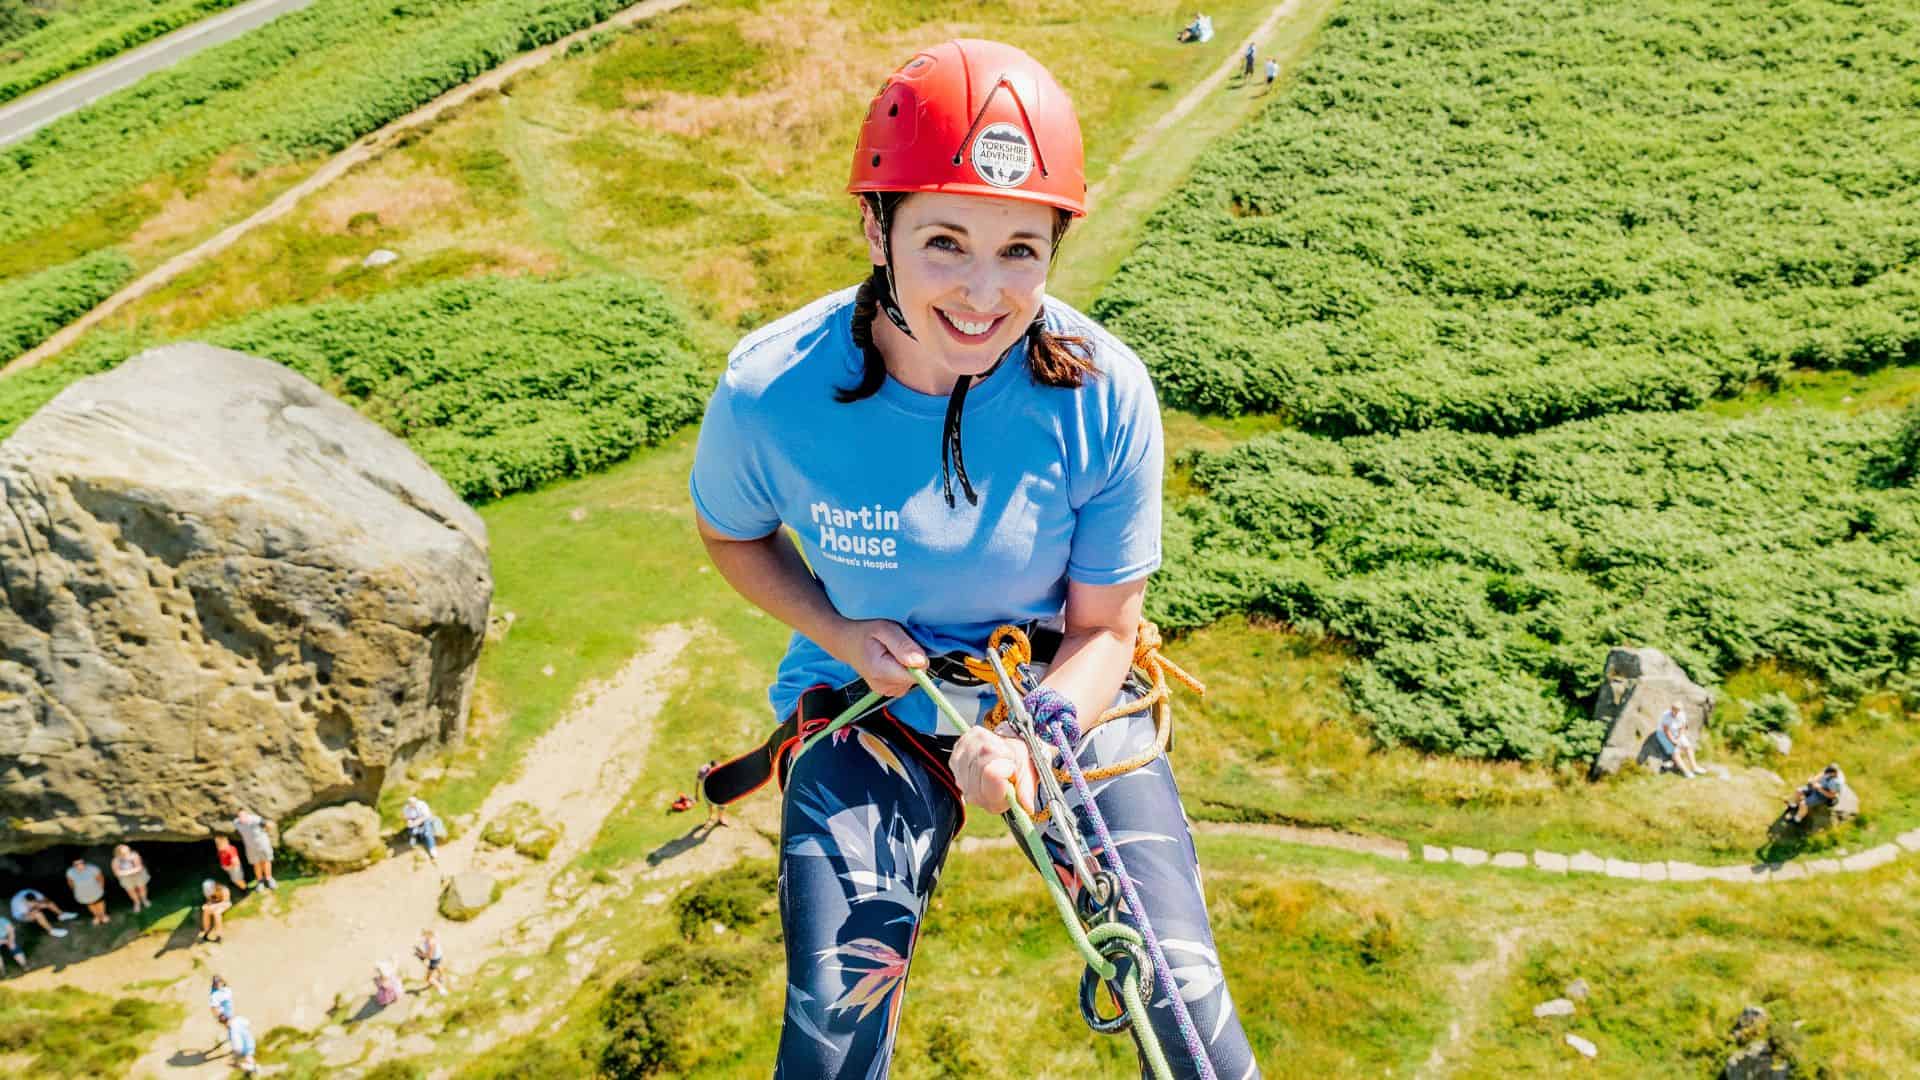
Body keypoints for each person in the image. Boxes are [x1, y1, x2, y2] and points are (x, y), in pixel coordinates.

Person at [688, 40, 1256, 1076]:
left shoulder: (1102, 395)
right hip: (874, 705)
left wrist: (1036, 737)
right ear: (875, 226)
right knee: (831, 1018)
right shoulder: (774, 392)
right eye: (945, 241)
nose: (983, 295)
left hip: (1058, 688)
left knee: (1187, 1003)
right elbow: (732, 532)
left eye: (1021, 251)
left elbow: (1104, 631)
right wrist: (841, 631)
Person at [1654, 703, 1702, 778]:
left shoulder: (1681, 714)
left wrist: (1679, 738)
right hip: (1663, 734)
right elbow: (1666, 731)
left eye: (1678, 710)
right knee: (1675, 752)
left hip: (1676, 733)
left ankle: (1695, 767)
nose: (1676, 712)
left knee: (1688, 747)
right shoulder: (1666, 715)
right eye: (1675, 710)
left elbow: (1682, 727)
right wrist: (1673, 741)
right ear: (1671, 709)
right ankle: (1686, 772)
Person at [233, 811, 277, 890]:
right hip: (250, 848)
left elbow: (268, 825)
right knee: (256, 864)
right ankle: (260, 881)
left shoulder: (256, 819)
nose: (242, 818)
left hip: (263, 845)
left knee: (266, 861)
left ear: (247, 815)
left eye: (244, 816)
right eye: (240, 816)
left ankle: (269, 879)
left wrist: (265, 833)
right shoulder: (236, 823)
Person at [9, 887, 76, 939]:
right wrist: (33, 910)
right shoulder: (18, 904)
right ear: (25, 901)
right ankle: (51, 931)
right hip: (21, 915)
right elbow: (23, 915)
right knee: (38, 914)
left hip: (31, 907)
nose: (33, 904)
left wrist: (41, 903)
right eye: (30, 904)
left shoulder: (33, 893)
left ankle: (62, 915)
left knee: (49, 903)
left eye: (34, 902)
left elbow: (45, 899)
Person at [66, 857, 109, 925]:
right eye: (76, 864)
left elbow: (100, 878)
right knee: (90, 904)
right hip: (82, 893)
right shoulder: (70, 872)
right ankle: (97, 916)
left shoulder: (93, 868)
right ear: (73, 865)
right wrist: (75, 890)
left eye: (81, 863)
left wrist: (101, 888)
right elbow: (70, 882)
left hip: (95, 891)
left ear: (84, 863)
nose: (79, 865)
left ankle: (103, 915)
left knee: (99, 902)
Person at [112, 844, 152, 913]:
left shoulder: (134, 855)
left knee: (142, 888)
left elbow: (139, 868)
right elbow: (116, 873)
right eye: (124, 853)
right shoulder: (115, 860)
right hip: (126, 879)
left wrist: (124, 872)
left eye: (128, 851)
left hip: (138, 876)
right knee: (131, 891)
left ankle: (144, 900)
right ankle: (137, 903)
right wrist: (131, 871)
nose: (127, 853)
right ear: (118, 853)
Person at [401, 795, 442, 862]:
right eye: (410, 804)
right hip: (414, 821)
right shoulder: (406, 808)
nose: (412, 805)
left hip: (425, 820)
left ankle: (432, 849)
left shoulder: (422, 805)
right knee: (413, 832)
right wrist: (410, 822)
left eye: (413, 803)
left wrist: (417, 822)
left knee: (427, 833)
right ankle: (416, 840)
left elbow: (426, 816)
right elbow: (407, 817)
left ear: (416, 802)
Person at [414, 928, 447, 995]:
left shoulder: (430, 943)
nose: (422, 936)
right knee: (438, 966)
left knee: (428, 978)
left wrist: (419, 954)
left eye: (424, 934)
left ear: (428, 935)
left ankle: (441, 988)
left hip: (434, 960)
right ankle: (441, 977)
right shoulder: (432, 938)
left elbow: (430, 956)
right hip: (439, 957)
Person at [695, 759, 727, 827]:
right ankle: (711, 819)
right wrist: (696, 794)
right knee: (710, 805)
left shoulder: (721, 767)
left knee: (722, 805)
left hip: (719, 790)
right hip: (707, 791)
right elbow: (697, 782)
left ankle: (720, 819)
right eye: (715, 769)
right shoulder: (702, 771)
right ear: (710, 767)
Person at [208, 974, 235, 1044]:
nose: (218, 984)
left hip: (230, 1011)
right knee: (231, 1028)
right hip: (224, 1015)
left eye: (219, 981)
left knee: (233, 1026)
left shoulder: (226, 988)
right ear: (214, 984)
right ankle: (233, 1040)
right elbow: (213, 1008)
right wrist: (221, 1017)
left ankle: (232, 1037)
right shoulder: (214, 995)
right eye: (216, 983)